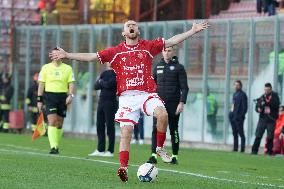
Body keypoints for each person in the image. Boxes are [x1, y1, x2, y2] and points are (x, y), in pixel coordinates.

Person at [49, 20, 209, 182]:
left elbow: (172, 41)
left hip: (147, 93)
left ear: (138, 31)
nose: (132, 26)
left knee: (162, 114)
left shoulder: (148, 46)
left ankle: (159, 148)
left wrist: (193, 31)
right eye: (128, 25)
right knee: (126, 132)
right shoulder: (116, 51)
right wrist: (67, 55)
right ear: (124, 33)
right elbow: (92, 56)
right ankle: (123, 168)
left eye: (134, 25)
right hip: (127, 98)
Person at [147, 47, 189, 165]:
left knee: (173, 129)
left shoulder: (179, 68)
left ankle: (174, 156)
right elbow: (152, 85)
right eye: (165, 50)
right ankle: (154, 155)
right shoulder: (158, 67)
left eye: (169, 50)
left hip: (174, 104)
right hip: (159, 104)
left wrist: (181, 103)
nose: (166, 52)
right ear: (162, 52)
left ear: (173, 52)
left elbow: (185, 88)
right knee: (156, 128)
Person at [38, 47, 75, 154]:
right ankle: (53, 147)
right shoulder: (45, 68)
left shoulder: (68, 68)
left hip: (62, 96)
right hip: (50, 96)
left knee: (59, 123)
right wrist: (39, 100)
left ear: (61, 55)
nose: (55, 56)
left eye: (57, 54)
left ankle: (56, 146)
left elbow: (71, 83)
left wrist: (70, 95)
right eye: (53, 54)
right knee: (52, 121)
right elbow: (41, 84)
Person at [88, 63, 118, 157]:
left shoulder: (117, 73)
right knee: (99, 125)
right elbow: (95, 86)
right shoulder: (104, 73)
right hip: (101, 101)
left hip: (111, 102)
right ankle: (100, 149)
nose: (109, 63)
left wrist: (101, 82)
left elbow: (110, 84)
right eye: (108, 61)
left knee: (110, 126)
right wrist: (102, 83)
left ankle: (110, 151)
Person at [251, 83, 280, 155]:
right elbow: (257, 107)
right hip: (263, 119)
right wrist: (258, 109)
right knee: (258, 135)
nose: (266, 91)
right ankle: (254, 151)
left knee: (270, 136)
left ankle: (269, 152)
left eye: (268, 90)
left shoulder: (275, 96)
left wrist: (266, 104)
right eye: (265, 89)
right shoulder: (262, 97)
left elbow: (276, 105)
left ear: (271, 89)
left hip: (271, 119)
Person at [229, 80, 248, 152]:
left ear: (240, 86)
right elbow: (233, 105)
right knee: (234, 133)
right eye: (235, 85)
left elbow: (245, 107)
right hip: (233, 116)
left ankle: (242, 149)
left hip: (239, 118)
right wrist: (231, 113)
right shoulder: (234, 94)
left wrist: (241, 116)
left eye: (238, 85)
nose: (236, 86)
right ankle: (235, 148)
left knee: (241, 133)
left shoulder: (243, 94)